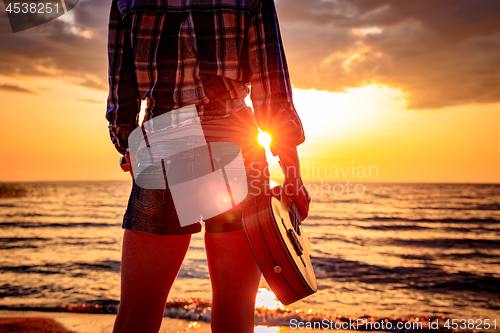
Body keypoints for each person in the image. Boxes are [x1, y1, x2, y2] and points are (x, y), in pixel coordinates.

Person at [106, 0, 311, 332]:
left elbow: (121, 89)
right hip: (233, 142)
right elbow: (271, 90)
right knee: (236, 311)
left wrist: (127, 142)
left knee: (136, 312)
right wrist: (291, 171)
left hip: (162, 139)